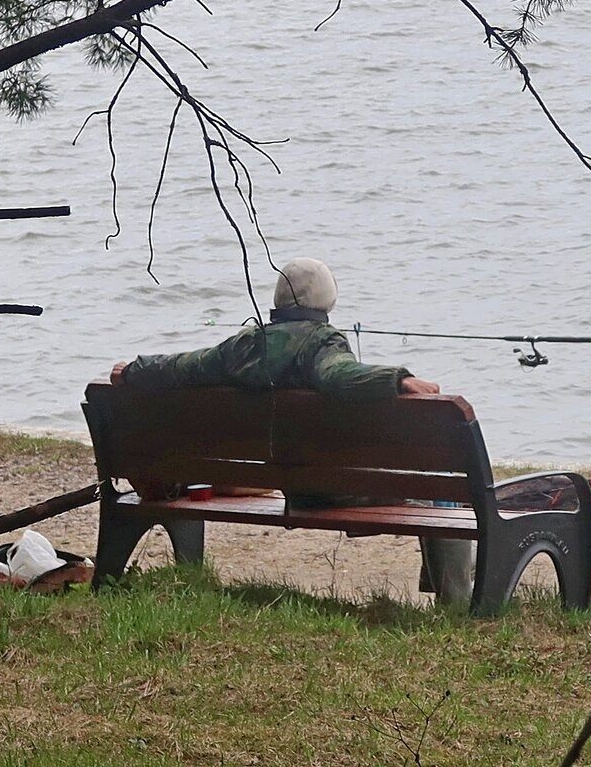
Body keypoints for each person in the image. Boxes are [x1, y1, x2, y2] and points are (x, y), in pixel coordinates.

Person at [109, 257, 473, 605]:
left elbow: (180, 367)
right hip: (332, 491)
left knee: (431, 486)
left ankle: (447, 590)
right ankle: (457, 601)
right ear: (328, 298)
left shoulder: (242, 345)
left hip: (294, 485)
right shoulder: (321, 343)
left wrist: (132, 371)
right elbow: (338, 375)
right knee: (441, 494)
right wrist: (400, 379)